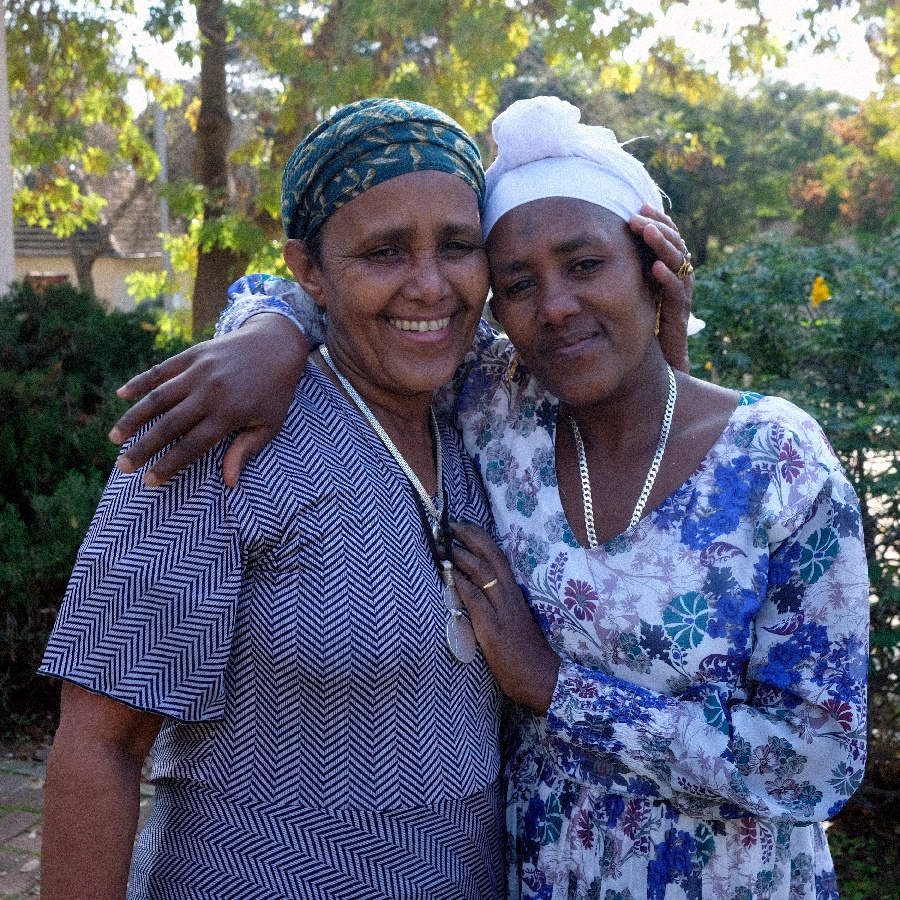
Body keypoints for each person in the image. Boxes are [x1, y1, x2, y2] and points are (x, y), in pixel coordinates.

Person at [107, 96, 869, 900]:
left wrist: (554, 690)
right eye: (517, 282)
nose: (557, 305)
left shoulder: (777, 461)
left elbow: (819, 762)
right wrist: (269, 334)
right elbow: (354, 295)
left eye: (585, 265)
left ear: (654, 265)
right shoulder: (499, 405)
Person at [40, 97, 516, 900]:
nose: (430, 285)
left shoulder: (484, 414)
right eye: (384, 251)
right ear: (309, 271)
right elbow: (100, 747)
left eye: (458, 246)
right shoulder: (218, 433)